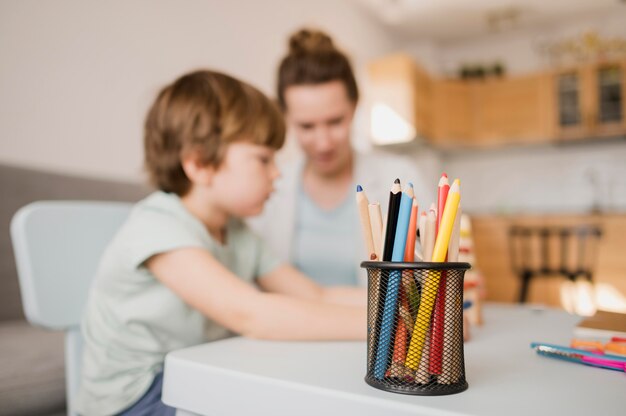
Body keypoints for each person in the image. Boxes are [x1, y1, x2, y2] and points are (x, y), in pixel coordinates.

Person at [74, 70, 366, 416]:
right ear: (200, 164)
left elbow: (316, 295)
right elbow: (252, 315)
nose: (277, 173)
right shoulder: (157, 226)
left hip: (192, 375)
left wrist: (405, 305)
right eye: (263, 159)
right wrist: (384, 328)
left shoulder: (240, 234)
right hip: (136, 397)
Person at [249, 29, 432, 287]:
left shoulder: (400, 177)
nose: (323, 143)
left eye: (335, 122)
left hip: (378, 328)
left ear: (355, 106)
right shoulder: (268, 188)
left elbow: (433, 276)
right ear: (285, 117)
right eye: (307, 126)